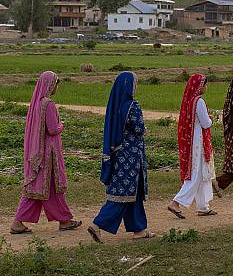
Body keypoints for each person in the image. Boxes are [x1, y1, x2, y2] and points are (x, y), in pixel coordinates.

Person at [10, 71, 81, 235]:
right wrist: (62, 125)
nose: (57, 87)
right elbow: (52, 129)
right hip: (48, 154)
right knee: (44, 187)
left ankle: (63, 220)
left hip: (40, 153)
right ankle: (19, 222)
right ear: (50, 85)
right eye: (56, 83)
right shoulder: (48, 104)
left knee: (42, 188)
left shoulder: (36, 103)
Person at [88, 72, 153, 242]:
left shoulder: (115, 106)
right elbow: (139, 129)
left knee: (133, 193)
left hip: (119, 154)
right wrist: (145, 129)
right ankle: (97, 224)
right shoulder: (132, 105)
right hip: (132, 156)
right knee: (122, 195)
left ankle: (139, 229)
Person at [168, 74, 218, 218]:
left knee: (201, 173)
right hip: (199, 142)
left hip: (192, 140)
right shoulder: (199, 102)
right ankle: (175, 203)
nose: (206, 87)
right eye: (205, 84)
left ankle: (203, 206)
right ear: (200, 86)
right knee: (196, 174)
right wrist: (211, 119)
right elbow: (205, 123)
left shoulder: (189, 101)